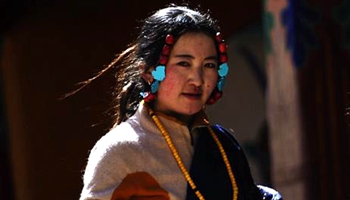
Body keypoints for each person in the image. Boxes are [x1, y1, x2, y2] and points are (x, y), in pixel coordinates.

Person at [79, 4, 283, 200]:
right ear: (148, 72)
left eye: (209, 65)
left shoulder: (224, 147)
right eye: (183, 63)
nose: (197, 79)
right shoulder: (120, 150)